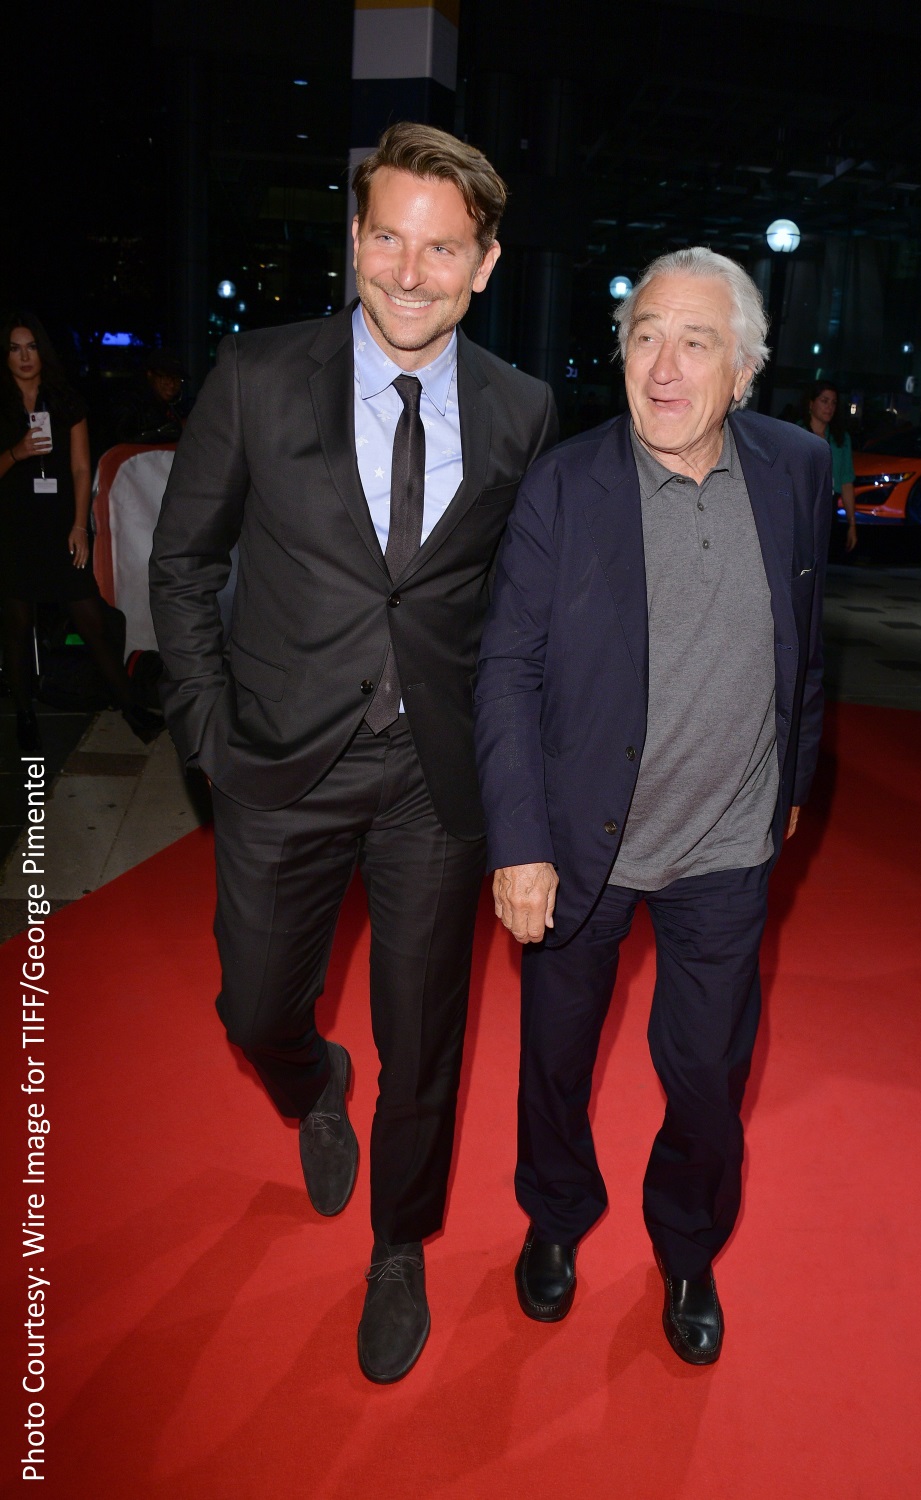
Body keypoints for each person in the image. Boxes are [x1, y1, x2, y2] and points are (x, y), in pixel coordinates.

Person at [148, 122, 558, 1384]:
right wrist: (210, 731)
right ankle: (310, 1076)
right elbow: (183, 563)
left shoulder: (522, 409)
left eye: (443, 248)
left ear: (484, 265)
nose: (411, 269)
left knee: (424, 1043)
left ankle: (398, 1244)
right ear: (355, 236)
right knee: (254, 1003)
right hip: (279, 762)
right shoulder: (259, 374)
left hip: (435, 786)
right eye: (389, 235)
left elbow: (517, 615)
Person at [474, 247, 829, 1365]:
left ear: (743, 372)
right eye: (642, 336)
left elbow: (808, 650)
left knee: (709, 1075)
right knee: (556, 1057)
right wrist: (521, 839)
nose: (663, 368)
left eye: (695, 342)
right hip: (583, 844)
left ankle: (684, 1248)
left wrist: (790, 788)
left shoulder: (798, 470)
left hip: (726, 847)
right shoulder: (565, 486)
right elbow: (506, 671)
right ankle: (557, 1218)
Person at [0, 312, 162, 752]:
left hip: (58, 527)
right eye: (15, 348)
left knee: (90, 618)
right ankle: (24, 714)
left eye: (31, 346)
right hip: (12, 528)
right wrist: (16, 452)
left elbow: (79, 466)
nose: (24, 356)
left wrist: (79, 525)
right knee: (16, 627)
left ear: (43, 351)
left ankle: (130, 709)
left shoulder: (65, 400)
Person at [802, 380, 856, 553]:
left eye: (833, 402)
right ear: (811, 403)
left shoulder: (841, 439)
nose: (829, 407)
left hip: (828, 506)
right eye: (824, 401)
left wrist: (852, 524)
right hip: (802, 505)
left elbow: (846, 482)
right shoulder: (796, 432)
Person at [113, 351, 188, 445]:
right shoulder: (131, 404)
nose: (172, 384)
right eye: (165, 377)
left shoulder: (177, 407)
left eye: (177, 379)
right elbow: (124, 440)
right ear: (150, 374)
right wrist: (170, 430)